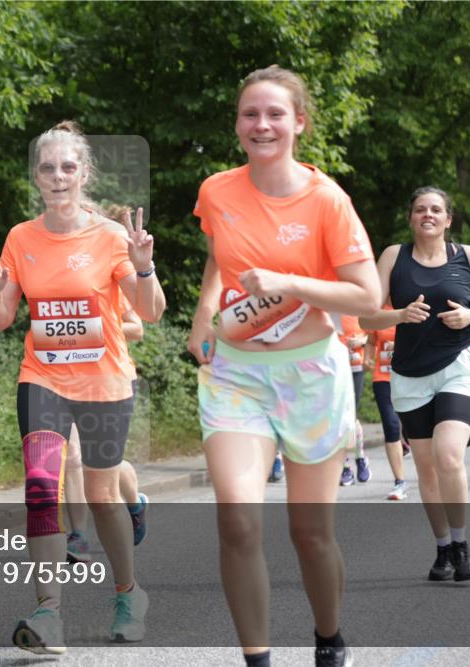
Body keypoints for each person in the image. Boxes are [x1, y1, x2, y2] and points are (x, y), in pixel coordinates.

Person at [188, 65, 380, 667]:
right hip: (237, 376)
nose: (262, 124)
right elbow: (219, 258)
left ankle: (329, 636)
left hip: (311, 377)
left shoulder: (327, 201)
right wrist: (203, 317)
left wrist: (289, 283)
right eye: (250, 114)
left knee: (310, 534)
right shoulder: (217, 191)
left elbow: (366, 296)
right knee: (238, 521)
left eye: (275, 113)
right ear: (237, 124)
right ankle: (258, 660)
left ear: (299, 122)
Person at [0, 120, 166, 654]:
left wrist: (144, 269)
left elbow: (151, 312)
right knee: (42, 489)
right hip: (42, 379)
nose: (57, 176)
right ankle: (48, 614)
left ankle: (129, 595)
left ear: (83, 173)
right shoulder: (21, 238)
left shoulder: (110, 236)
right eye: (47, 168)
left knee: (103, 498)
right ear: (36, 177)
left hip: (104, 383)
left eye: (67, 167)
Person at [359, 185, 470, 586]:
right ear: (411, 218)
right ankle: (442, 547)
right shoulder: (394, 256)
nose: (428, 214)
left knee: (448, 457)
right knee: (426, 467)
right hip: (409, 375)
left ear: (448, 219)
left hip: (459, 367)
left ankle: (461, 544)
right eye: (421, 209)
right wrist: (398, 314)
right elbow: (366, 318)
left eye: (436, 209)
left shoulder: (467, 256)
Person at [65, 204, 149, 564]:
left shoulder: (110, 267)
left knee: (101, 465)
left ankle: (135, 501)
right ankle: (78, 536)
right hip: (61, 377)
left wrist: (97, 326)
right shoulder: (55, 271)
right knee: (72, 457)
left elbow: (137, 327)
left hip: (106, 378)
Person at [364, 306, 409, 500]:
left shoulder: (410, 306)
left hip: (409, 377)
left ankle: (405, 440)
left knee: (413, 424)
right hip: (383, 378)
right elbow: (371, 340)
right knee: (391, 425)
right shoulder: (378, 312)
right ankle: (400, 482)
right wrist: (367, 357)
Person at [337, 315, 369, 486]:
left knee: (351, 417)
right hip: (333, 369)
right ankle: (345, 466)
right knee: (338, 419)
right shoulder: (327, 308)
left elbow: (374, 335)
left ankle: (360, 458)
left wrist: (362, 341)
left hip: (355, 367)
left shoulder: (358, 307)